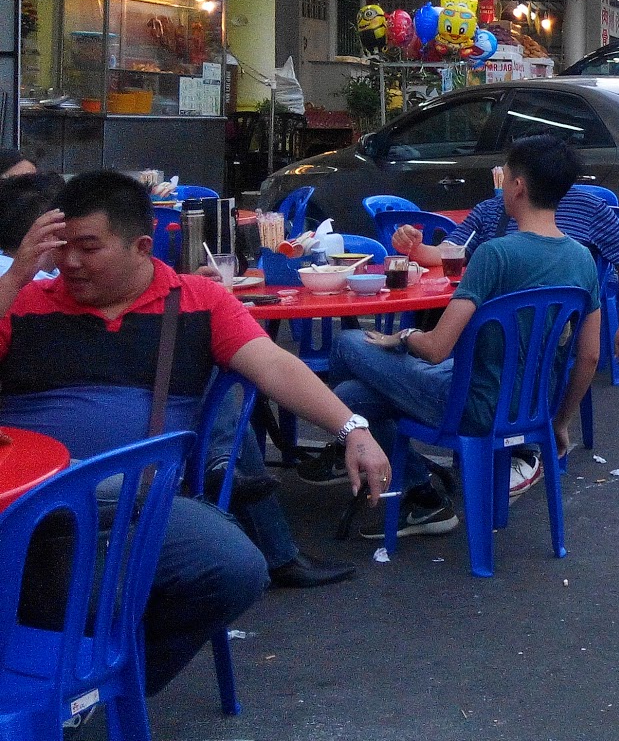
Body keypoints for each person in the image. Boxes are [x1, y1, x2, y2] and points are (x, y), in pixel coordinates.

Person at [0, 172, 391, 693]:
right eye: (61, 247)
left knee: (234, 566)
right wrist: (15, 277)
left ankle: (109, 684)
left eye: (88, 247)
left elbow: (274, 366)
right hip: (22, 509)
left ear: (141, 247)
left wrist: (353, 428)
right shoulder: (23, 302)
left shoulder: (197, 301)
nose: (70, 262)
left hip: (138, 513)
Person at [300, 135, 604, 537]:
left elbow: (437, 347)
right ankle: (420, 495)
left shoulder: (496, 254)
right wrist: (559, 419)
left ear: (517, 187)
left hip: (469, 403)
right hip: (532, 404)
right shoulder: (581, 258)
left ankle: (408, 481)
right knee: (351, 399)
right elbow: (589, 356)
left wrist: (404, 336)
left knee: (348, 343)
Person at [385, 162, 619, 491]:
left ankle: (413, 486)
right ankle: (508, 454)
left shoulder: (575, 217)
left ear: (518, 184)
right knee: (359, 388)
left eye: (505, 176)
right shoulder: (497, 215)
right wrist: (412, 247)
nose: (501, 184)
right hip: (532, 378)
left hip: (493, 375)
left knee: (352, 348)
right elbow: (449, 253)